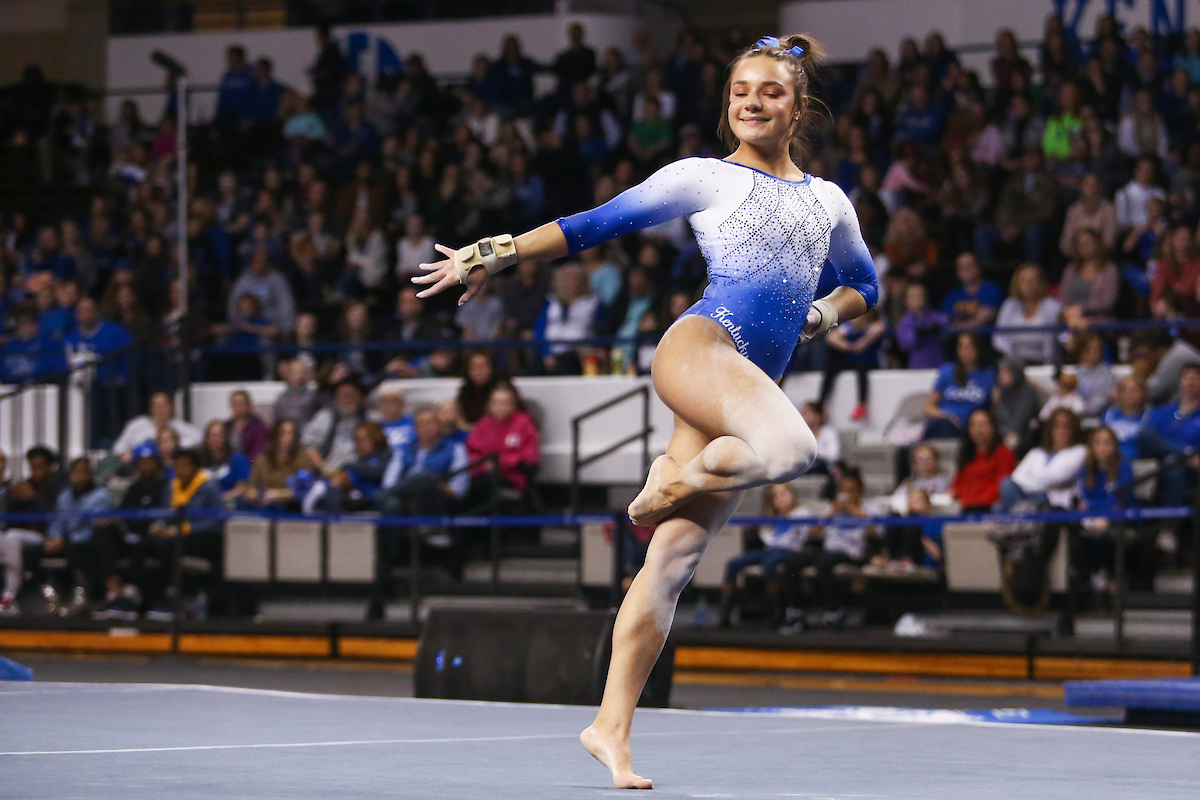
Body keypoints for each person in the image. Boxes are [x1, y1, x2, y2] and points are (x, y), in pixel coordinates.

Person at [411, 33, 878, 789]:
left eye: (770, 92)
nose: (752, 102)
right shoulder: (703, 176)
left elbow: (867, 285)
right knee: (794, 450)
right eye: (740, 92)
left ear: (798, 107)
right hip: (700, 350)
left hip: (741, 385)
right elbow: (594, 223)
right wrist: (493, 253)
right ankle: (675, 477)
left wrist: (821, 318)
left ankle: (609, 728)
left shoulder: (828, 200)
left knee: (672, 563)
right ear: (729, 108)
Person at [718, 482, 812, 627]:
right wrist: (762, 524)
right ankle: (725, 613)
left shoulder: (801, 513)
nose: (780, 498)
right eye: (775, 496)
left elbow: (805, 534)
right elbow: (767, 537)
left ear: (792, 494)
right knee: (733, 563)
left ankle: (775, 611)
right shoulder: (773, 516)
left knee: (770, 564)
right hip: (769, 549)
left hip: (789, 550)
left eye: (783, 494)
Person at [994, 407, 1087, 512]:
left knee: (1001, 508)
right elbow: (1016, 478)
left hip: (1050, 500)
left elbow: (1056, 477)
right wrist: (1042, 482)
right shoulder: (1036, 452)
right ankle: (1021, 513)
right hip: (1027, 495)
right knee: (1005, 485)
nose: (1061, 431)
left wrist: (1031, 475)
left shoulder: (1080, 451)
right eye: (1057, 426)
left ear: (1073, 430)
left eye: (1065, 427)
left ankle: (1019, 515)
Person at [1135, 363, 1200, 508]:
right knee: (1144, 435)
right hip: (1158, 461)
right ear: (1180, 382)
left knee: (1173, 465)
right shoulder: (1163, 411)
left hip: (1191, 468)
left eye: (1196, 378)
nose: (1191, 382)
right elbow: (1147, 437)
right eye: (1187, 378)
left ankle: (1168, 525)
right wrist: (1186, 453)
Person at [922, 332, 994, 439]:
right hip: (944, 421)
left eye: (968, 347)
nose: (965, 351)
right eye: (961, 347)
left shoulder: (988, 374)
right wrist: (948, 417)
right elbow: (928, 408)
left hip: (969, 428)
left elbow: (996, 406)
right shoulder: (947, 371)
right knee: (940, 426)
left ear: (977, 349)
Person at [992, 264, 1061, 365]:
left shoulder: (1052, 306)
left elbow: (1060, 336)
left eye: (1032, 280)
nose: (1028, 285)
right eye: (1023, 280)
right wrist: (1011, 357)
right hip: (1014, 363)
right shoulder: (1010, 305)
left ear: (1040, 283)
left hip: (1044, 363)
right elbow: (998, 337)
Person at [243, 420, 319, 508]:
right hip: (264, 500)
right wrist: (254, 493)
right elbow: (251, 485)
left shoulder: (303, 457)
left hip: (291, 504)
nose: (288, 438)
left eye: (291, 433)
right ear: (276, 436)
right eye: (283, 433)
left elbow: (305, 488)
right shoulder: (263, 459)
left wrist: (277, 494)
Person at [951, 409, 1015, 512]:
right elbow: (957, 484)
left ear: (993, 427)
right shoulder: (966, 455)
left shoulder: (1004, 453)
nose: (978, 429)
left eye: (982, 424)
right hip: (965, 507)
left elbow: (1002, 486)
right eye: (973, 425)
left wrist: (975, 501)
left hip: (989, 508)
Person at [112, 392, 202, 461]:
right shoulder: (138, 424)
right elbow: (118, 447)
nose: (160, 410)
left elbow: (199, 437)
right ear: (151, 409)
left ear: (170, 407)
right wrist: (126, 454)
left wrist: (174, 446)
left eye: (163, 406)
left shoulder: (179, 426)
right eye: (157, 406)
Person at [199, 420, 251, 502]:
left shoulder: (238, 459)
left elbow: (242, 487)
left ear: (225, 438)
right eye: (211, 436)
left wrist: (221, 499)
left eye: (218, 436)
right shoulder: (198, 461)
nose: (215, 439)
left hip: (230, 503)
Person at [1102, 376, 1149, 461]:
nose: (1128, 395)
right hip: (1112, 462)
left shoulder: (1151, 415)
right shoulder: (1109, 414)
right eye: (1124, 390)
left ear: (1143, 393)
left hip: (1141, 461)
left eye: (1133, 390)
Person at [226, 389, 268, 461]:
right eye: (235, 404)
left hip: (249, 463)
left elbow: (257, 450)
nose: (238, 407)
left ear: (248, 405)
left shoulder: (258, 426)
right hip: (229, 464)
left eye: (241, 404)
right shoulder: (227, 426)